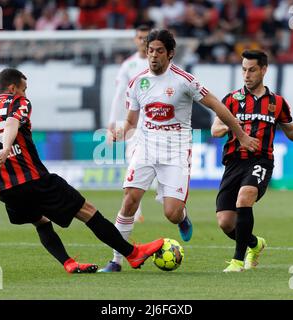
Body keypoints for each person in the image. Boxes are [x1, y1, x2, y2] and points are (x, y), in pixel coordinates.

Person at [0, 68, 164, 274]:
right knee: (87, 211)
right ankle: (133, 253)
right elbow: (11, 122)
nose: (26, 94)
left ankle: (68, 263)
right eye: (24, 89)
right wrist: (6, 148)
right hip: (33, 179)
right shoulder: (18, 102)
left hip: (6, 189)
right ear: (13, 88)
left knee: (40, 222)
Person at [99, 29, 259, 273]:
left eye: (159, 51)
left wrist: (242, 135)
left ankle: (182, 218)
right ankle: (116, 260)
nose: (153, 56)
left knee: (171, 213)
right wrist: (120, 132)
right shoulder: (137, 82)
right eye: (150, 50)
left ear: (170, 53)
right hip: (145, 147)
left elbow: (217, 105)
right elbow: (132, 122)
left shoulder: (185, 81)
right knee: (130, 199)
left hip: (176, 151)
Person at [211, 50, 293, 272]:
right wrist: (231, 125)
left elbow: (292, 134)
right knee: (225, 222)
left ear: (263, 70)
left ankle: (237, 261)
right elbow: (215, 129)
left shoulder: (277, 103)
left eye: (251, 70)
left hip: (260, 161)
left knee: (245, 196)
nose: (246, 75)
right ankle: (255, 243)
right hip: (234, 163)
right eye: (243, 70)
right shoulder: (231, 100)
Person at [107, 25, 151, 227]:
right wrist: (112, 121)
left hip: (157, 123)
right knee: (133, 161)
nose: (143, 41)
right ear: (135, 40)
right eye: (140, 37)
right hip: (134, 122)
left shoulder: (162, 63)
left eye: (146, 37)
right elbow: (118, 95)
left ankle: (169, 199)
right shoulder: (128, 65)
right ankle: (136, 209)